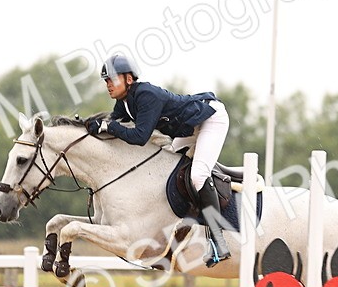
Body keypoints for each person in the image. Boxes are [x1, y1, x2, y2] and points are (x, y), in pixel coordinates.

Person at [86, 54, 232, 265]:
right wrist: (92, 126)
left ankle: (219, 242)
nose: (108, 84)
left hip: (210, 118)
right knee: (168, 167)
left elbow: (139, 136)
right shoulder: (124, 103)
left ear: (129, 79)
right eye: (106, 80)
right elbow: (112, 123)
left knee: (198, 176)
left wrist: (109, 126)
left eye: (112, 79)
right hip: (189, 127)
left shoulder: (146, 95)